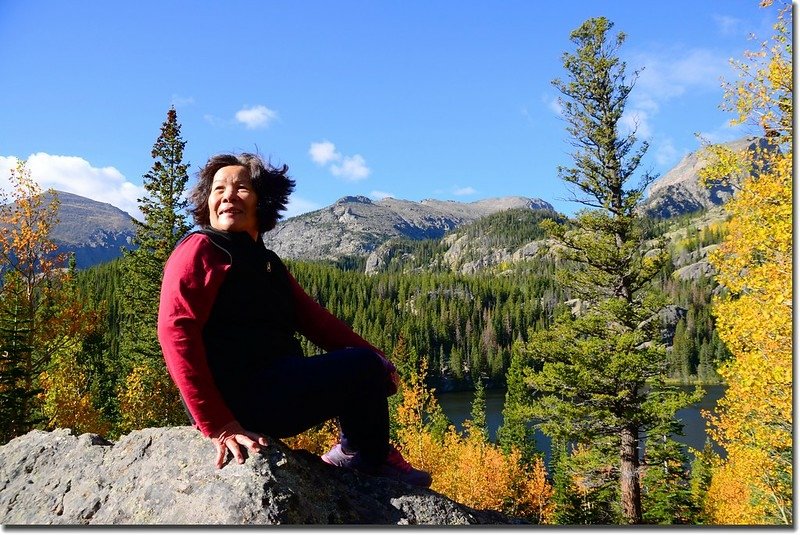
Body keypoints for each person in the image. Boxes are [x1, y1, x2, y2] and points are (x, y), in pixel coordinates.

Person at [157, 152, 431, 488]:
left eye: (241, 188)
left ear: (263, 201)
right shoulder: (201, 249)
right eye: (218, 189)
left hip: (274, 390)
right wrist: (218, 423)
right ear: (207, 201)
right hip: (238, 400)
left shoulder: (267, 262)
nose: (227, 195)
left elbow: (315, 320)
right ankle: (364, 458)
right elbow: (176, 332)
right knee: (361, 366)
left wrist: (379, 360)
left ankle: (356, 453)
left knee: (364, 364)